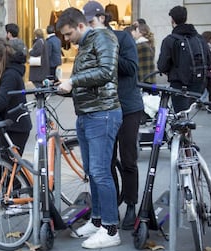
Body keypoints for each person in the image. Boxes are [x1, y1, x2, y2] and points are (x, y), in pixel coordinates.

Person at [56, 7, 122, 249]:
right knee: (93, 172)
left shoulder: (103, 37)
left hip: (102, 113)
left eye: (68, 33)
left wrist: (73, 81)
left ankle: (111, 229)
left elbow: (106, 72)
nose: (66, 39)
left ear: (81, 26)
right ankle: (97, 221)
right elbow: (92, 76)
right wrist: (67, 87)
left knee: (100, 171)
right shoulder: (86, 44)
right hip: (88, 113)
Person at [82, 1, 144, 231]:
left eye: (91, 22)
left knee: (128, 159)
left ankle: (131, 206)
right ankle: (110, 210)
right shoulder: (87, 43)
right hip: (102, 109)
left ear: (102, 18)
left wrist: (108, 54)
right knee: (105, 163)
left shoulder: (122, 38)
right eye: (86, 24)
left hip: (127, 107)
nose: (90, 27)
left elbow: (131, 69)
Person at [157, 5, 211, 113]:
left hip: (179, 84)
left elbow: (162, 65)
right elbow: (209, 59)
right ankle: (186, 129)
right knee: (187, 116)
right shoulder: (199, 38)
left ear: (172, 20)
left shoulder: (170, 40)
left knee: (180, 116)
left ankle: (183, 129)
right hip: (198, 84)